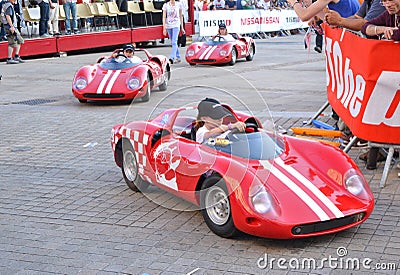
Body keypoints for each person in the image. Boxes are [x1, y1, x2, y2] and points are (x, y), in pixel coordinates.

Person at [286, 0, 360, 22]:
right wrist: (310, 6)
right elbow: (333, 21)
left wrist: (293, 2)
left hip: (350, 37)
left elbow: (303, 16)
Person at [162, 0, 185, 64]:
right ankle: (178, 56)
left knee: (174, 41)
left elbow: (181, 16)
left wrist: (182, 28)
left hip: (176, 25)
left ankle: (172, 57)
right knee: (173, 42)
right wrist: (164, 28)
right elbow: (164, 17)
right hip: (168, 25)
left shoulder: (179, 4)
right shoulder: (166, 5)